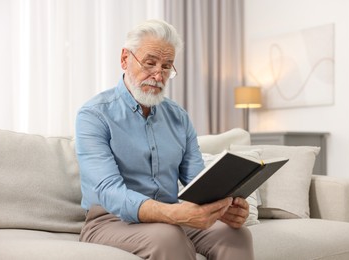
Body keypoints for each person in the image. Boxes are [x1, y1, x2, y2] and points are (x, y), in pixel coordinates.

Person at [75, 19, 254, 260]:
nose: (158, 75)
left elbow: (196, 181)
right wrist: (174, 214)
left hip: (171, 216)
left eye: (167, 66)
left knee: (236, 235)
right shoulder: (94, 115)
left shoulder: (178, 117)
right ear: (125, 59)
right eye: (150, 63)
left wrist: (224, 208)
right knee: (168, 237)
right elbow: (110, 192)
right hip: (110, 220)